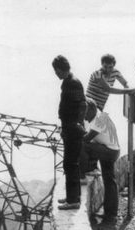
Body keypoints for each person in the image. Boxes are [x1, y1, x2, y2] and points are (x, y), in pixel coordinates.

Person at [52, 55, 86, 211]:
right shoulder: (68, 82)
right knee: (70, 164)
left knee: (70, 164)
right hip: (70, 127)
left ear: (60, 69)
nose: (56, 73)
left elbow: (82, 104)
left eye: (56, 70)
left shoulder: (72, 83)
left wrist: (76, 124)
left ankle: (73, 200)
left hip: (72, 129)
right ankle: (72, 197)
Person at [81, 98, 121, 224]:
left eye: (85, 113)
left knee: (83, 146)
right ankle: (111, 214)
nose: (84, 117)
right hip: (111, 149)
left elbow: (86, 139)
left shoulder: (98, 121)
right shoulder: (100, 115)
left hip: (109, 151)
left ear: (91, 110)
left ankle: (85, 171)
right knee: (109, 181)